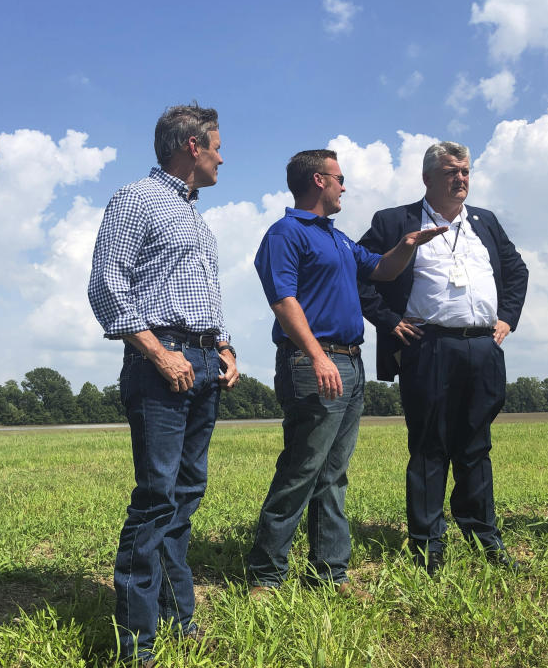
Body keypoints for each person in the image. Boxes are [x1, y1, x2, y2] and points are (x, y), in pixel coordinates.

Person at [247, 150, 447, 597]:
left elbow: (380, 268)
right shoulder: (286, 234)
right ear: (319, 180)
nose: (344, 187)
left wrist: (407, 245)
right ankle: (266, 575)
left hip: (351, 363)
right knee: (301, 469)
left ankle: (329, 573)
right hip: (315, 363)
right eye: (340, 179)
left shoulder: (337, 240)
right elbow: (283, 301)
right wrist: (318, 357)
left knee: (333, 474)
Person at [88, 104, 238, 665]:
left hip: (202, 364)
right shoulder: (137, 199)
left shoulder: (194, 215)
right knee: (155, 501)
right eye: (217, 145)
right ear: (191, 147)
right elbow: (106, 284)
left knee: (183, 500)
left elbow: (199, 295)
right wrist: (158, 352)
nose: (224, 156)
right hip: (161, 366)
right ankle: (137, 644)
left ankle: (179, 620)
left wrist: (222, 346)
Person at [358, 141, 528, 574]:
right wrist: (388, 320)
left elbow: (517, 270)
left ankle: (482, 534)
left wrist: (507, 319)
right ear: (427, 178)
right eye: (452, 172)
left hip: (483, 347)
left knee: (476, 445)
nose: (461, 179)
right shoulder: (395, 221)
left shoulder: (484, 222)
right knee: (431, 446)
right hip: (427, 345)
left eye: (466, 172)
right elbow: (359, 272)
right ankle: (427, 544)